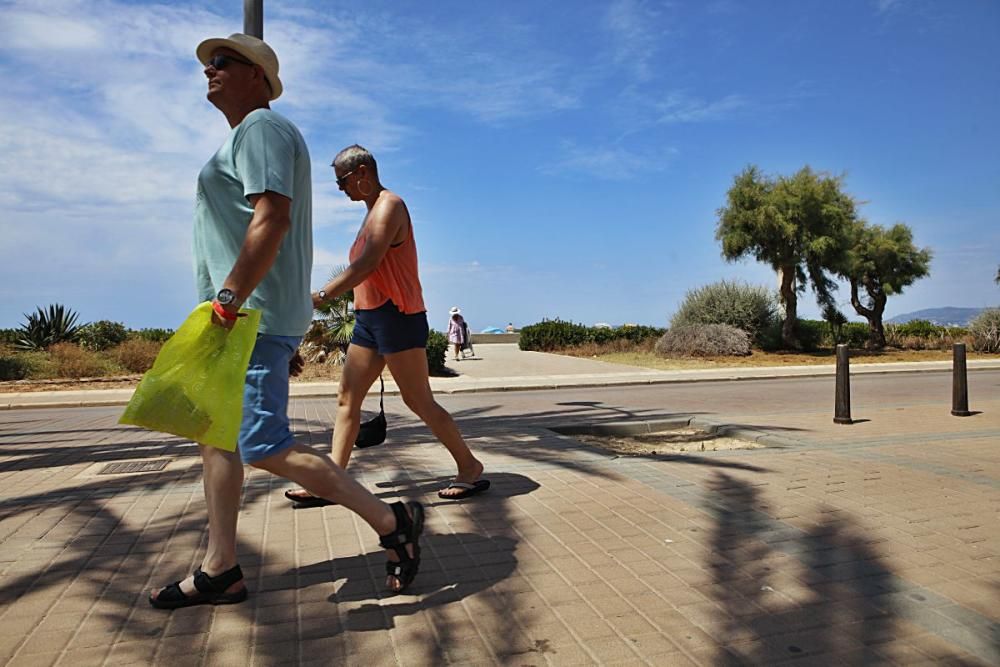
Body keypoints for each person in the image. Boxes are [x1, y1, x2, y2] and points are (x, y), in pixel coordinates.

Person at [149, 34, 423, 609]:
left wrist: (229, 302)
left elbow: (272, 218)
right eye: (206, 64)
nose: (209, 71)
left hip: (244, 314)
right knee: (218, 438)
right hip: (241, 314)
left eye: (222, 62)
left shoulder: (261, 129)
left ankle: (390, 518)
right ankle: (221, 567)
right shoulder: (249, 136)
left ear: (258, 76)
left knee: (258, 441)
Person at [284, 144, 490, 505]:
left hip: (398, 317)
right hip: (369, 320)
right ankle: (334, 482)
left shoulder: (390, 206)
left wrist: (319, 296)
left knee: (418, 400)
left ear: (363, 172)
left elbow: (366, 265)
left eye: (342, 181)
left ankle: (469, 467)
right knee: (347, 398)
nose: (341, 189)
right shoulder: (369, 213)